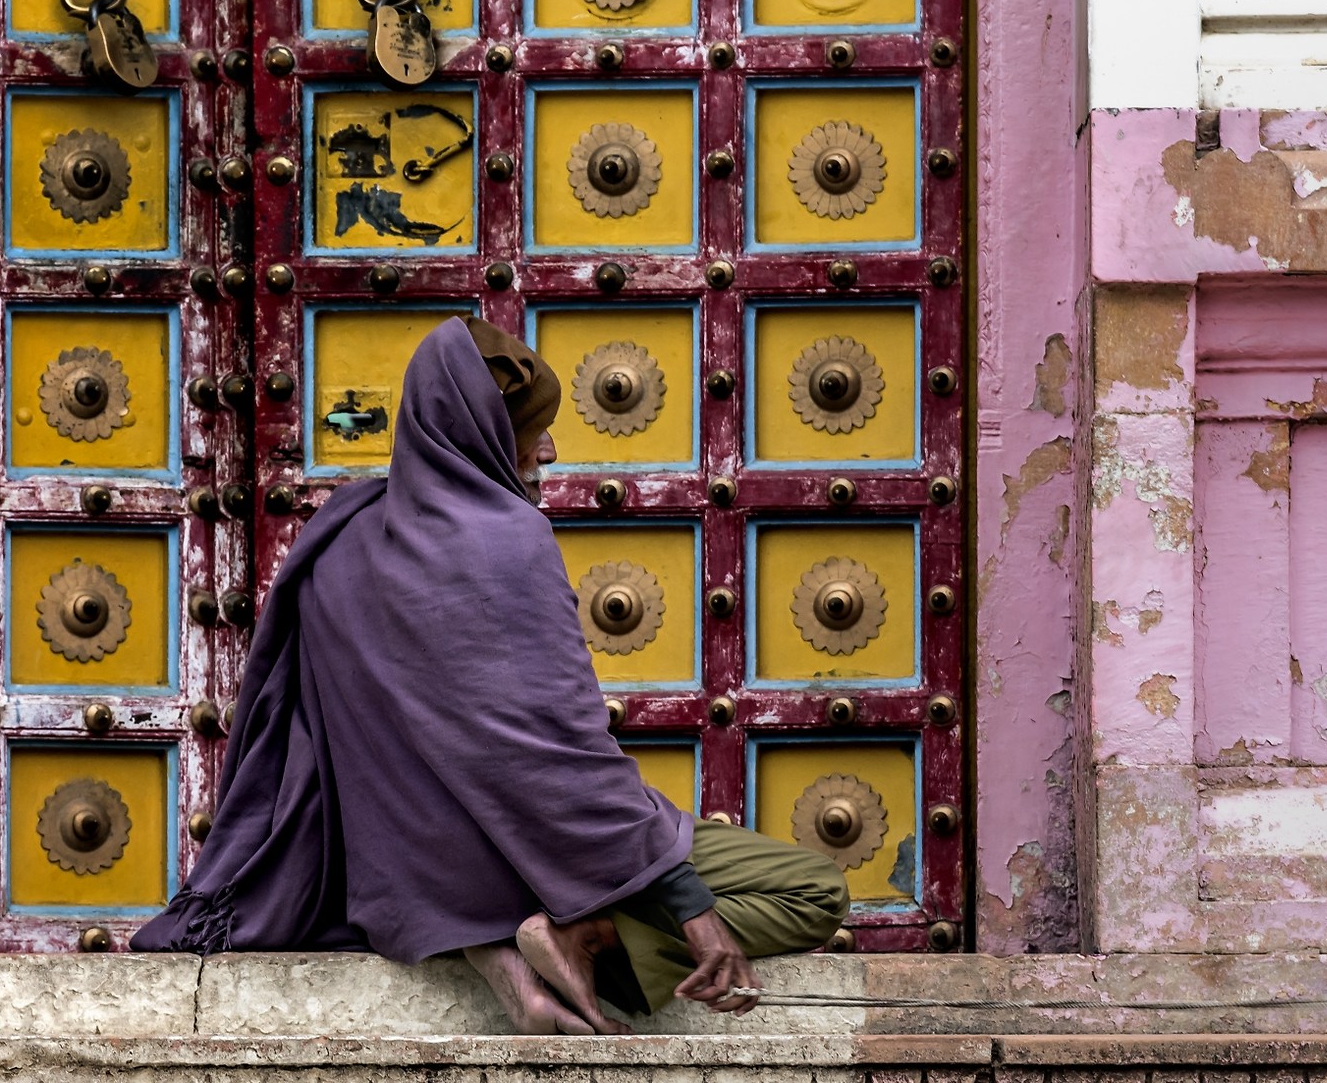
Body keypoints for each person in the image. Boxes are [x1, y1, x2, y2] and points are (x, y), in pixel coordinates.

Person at [132, 316, 849, 1033]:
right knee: (816, 891)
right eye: (532, 429)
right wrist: (689, 905)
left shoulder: (341, 537)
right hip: (548, 856)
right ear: (481, 433)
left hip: (415, 889)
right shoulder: (505, 539)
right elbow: (558, 755)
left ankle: (512, 944)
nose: (550, 448)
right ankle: (594, 937)